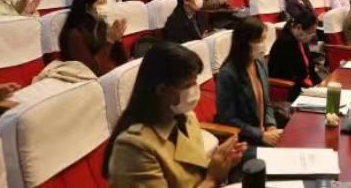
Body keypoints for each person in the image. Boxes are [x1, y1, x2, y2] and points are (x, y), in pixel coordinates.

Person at [104, 41, 246, 188]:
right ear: (162, 90)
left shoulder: (187, 118)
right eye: (187, 85)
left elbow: (195, 172)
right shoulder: (133, 147)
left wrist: (223, 163)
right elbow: (204, 179)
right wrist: (212, 179)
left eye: (195, 82)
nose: (195, 90)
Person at [216, 17, 282, 149]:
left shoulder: (260, 64)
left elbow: (267, 103)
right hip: (244, 142)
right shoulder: (228, 74)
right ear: (244, 43)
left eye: (264, 39)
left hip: (264, 134)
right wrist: (260, 135)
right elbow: (228, 119)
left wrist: (271, 126)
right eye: (258, 41)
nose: (263, 44)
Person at [59, 0, 128, 76]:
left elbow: (122, 61)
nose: (105, 7)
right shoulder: (74, 34)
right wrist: (109, 41)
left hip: (111, 74)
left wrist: (118, 40)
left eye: (106, 2)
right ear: (87, 7)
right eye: (101, 3)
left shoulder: (102, 25)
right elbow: (92, 70)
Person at [268, 12, 321, 102]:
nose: (311, 36)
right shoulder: (285, 43)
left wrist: (320, 84)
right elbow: (288, 76)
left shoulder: (299, 38)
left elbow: (310, 67)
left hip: (306, 84)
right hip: (291, 89)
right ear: (299, 27)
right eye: (310, 33)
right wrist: (311, 90)